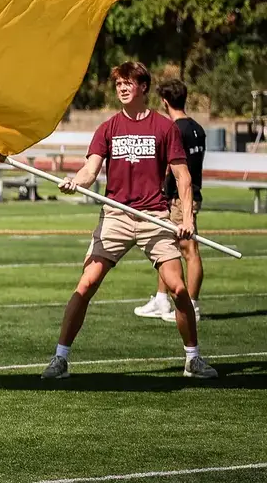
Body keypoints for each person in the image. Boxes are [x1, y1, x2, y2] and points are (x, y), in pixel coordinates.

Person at [40, 61, 216, 381]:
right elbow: (90, 170)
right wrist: (75, 181)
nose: (121, 88)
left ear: (144, 87)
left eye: (128, 83)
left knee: (177, 288)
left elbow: (183, 177)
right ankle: (60, 358)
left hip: (154, 216)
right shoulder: (107, 128)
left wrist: (187, 218)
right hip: (116, 215)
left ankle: (193, 358)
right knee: (86, 283)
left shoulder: (164, 128)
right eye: (118, 83)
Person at [134, 78, 207, 323]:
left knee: (188, 250)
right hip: (186, 195)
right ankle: (161, 299)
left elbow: (171, 167)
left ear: (165, 102)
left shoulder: (174, 129)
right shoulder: (197, 128)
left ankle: (192, 306)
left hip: (179, 198)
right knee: (164, 245)